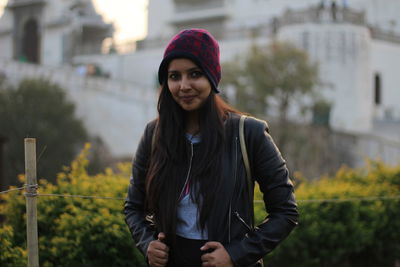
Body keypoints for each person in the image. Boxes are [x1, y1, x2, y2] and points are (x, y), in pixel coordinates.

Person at [124, 28, 298, 267]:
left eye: (194, 74)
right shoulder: (154, 135)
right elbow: (134, 207)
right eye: (174, 76)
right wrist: (147, 244)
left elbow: (285, 211)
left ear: (212, 77)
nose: (184, 85)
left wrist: (236, 254)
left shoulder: (249, 134)